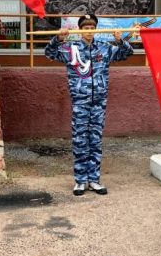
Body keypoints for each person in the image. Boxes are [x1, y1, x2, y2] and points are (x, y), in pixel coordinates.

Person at [45, 13, 133, 196]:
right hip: (80, 102)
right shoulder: (71, 49)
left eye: (92, 28)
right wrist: (58, 39)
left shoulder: (104, 48)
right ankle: (80, 181)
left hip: (99, 103)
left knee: (95, 141)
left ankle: (94, 180)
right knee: (80, 140)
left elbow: (126, 54)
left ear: (95, 29)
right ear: (80, 30)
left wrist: (120, 41)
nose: (89, 31)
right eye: (86, 28)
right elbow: (49, 53)